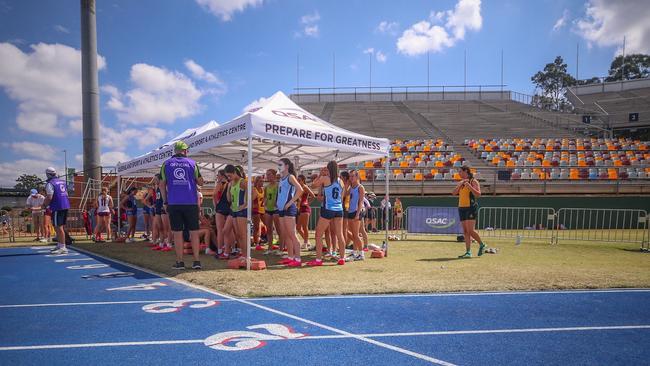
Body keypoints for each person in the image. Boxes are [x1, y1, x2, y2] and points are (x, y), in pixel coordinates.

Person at [159, 140, 205, 270]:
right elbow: (200, 182)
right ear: (185, 151)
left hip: (174, 202)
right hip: (190, 202)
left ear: (175, 151)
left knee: (177, 233)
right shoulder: (192, 163)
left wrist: (165, 201)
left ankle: (180, 262)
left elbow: (162, 184)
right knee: (194, 232)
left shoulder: (166, 164)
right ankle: (196, 261)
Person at [307, 161, 347, 266]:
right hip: (339, 209)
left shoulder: (325, 178)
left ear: (328, 169)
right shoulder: (341, 181)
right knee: (340, 234)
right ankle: (342, 258)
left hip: (328, 208)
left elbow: (313, 186)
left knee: (318, 234)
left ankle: (318, 260)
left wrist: (320, 174)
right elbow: (342, 196)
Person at [452, 166, 486, 258]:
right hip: (461, 208)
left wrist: (470, 186)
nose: (459, 173)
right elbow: (454, 193)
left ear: (465, 171)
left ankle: (482, 245)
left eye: (460, 171)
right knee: (466, 231)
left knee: (470, 230)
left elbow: (478, 194)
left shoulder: (473, 181)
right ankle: (468, 252)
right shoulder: (461, 182)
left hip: (470, 207)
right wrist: (460, 184)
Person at [276, 158, 303, 267]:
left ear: (286, 166)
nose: (278, 166)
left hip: (289, 209)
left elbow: (300, 190)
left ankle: (298, 258)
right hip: (281, 209)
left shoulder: (290, 177)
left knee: (292, 234)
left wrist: (290, 202)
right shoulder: (282, 178)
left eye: (280, 164)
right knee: (286, 234)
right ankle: (290, 256)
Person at [43, 167, 71, 254]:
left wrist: (44, 205)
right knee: (58, 226)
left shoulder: (50, 183)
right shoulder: (62, 182)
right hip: (65, 205)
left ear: (47, 174)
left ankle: (63, 246)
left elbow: (49, 197)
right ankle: (60, 245)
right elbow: (66, 193)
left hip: (57, 206)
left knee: (58, 227)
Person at [346, 170, 366, 260]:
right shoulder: (350, 187)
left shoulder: (360, 187)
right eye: (350, 176)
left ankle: (361, 254)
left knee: (356, 234)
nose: (351, 178)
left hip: (356, 212)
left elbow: (361, 201)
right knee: (354, 235)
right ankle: (354, 253)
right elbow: (345, 194)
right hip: (350, 211)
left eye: (352, 176)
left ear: (357, 177)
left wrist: (357, 214)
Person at [213, 169, 232, 258]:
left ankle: (220, 250)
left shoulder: (221, 183)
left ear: (221, 175)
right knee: (229, 231)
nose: (217, 176)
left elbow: (215, 194)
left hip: (221, 208)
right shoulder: (230, 183)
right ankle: (231, 249)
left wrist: (216, 205)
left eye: (218, 175)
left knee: (220, 230)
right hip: (229, 207)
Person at [152, 174, 172, 251]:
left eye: (155, 179)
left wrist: (166, 204)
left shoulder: (165, 186)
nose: (154, 180)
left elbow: (168, 196)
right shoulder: (157, 187)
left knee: (167, 227)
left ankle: (169, 244)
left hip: (164, 208)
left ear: (160, 179)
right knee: (160, 227)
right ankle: (161, 243)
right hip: (157, 208)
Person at [263, 169, 281, 255]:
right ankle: (270, 248)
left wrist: (277, 202)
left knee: (278, 229)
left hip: (276, 209)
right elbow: (265, 197)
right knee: (269, 229)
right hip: (268, 209)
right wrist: (264, 202)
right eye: (267, 174)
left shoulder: (278, 185)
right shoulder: (266, 186)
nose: (268, 176)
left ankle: (281, 248)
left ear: (274, 175)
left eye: (269, 174)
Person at [297, 174, 315, 250]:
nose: (298, 181)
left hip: (305, 208)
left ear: (303, 180)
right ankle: (306, 241)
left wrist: (307, 202)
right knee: (298, 227)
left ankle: (305, 242)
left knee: (304, 226)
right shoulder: (298, 187)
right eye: (297, 180)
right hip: (300, 208)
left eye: (299, 180)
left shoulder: (305, 187)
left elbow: (313, 195)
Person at [252, 176, 265, 250]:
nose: (262, 182)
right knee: (256, 227)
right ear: (256, 182)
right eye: (260, 181)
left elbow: (264, 199)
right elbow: (251, 199)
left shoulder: (263, 189)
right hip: (256, 210)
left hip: (263, 210)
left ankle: (261, 241)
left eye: (262, 181)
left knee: (267, 225)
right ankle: (256, 243)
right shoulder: (254, 190)